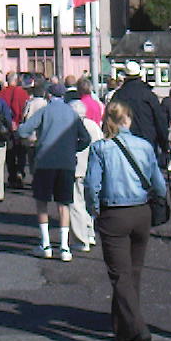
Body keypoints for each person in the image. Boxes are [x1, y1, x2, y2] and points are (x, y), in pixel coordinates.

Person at [84, 99, 165, 341]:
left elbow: (91, 184)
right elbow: (158, 183)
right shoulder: (144, 146)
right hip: (141, 211)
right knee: (134, 272)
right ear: (127, 119)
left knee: (120, 275)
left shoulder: (100, 148)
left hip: (114, 213)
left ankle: (138, 328)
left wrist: (93, 208)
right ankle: (123, 327)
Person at [17, 82, 91, 261]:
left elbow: (23, 130)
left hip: (45, 161)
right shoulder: (72, 114)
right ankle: (64, 247)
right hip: (66, 163)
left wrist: (36, 141)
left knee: (42, 202)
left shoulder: (44, 111)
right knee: (64, 204)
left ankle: (46, 244)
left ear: (49, 96)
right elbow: (86, 138)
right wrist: (72, 148)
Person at [111, 60, 169, 166]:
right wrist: (165, 146)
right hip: (148, 143)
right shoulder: (149, 95)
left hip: (123, 145)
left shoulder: (118, 95)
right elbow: (160, 122)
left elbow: (110, 120)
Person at [68, 99, 103, 251]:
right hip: (92, 169)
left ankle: (81, 240)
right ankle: (90, 233)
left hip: (76, 169)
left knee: (76, 204)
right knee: (89, 203)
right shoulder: (93, 126)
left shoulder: (70, 127)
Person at [0, 73, 30, 188]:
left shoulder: (1, 94)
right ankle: (20, 171)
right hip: (21, 126)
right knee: (21, 151)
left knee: (9, 153)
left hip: (6, 127)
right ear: (16, 80)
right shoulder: (23, 93)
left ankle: (12, 176)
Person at [21, 82, 49, 180]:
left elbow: (24, 117)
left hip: (31, 136)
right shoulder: (46, 103)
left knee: (31, 158)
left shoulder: (30, 103)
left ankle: (34, 176)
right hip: (42, 136)